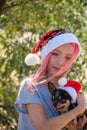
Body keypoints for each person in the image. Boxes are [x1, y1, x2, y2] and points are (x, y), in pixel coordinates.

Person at [14, 29, 86, 130]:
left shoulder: (70, 91)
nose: (60, 62)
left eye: (68, 58)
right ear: (46, 54)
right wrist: (79, 109)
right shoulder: (31, 87)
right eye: (55, 54)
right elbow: (44, 126)